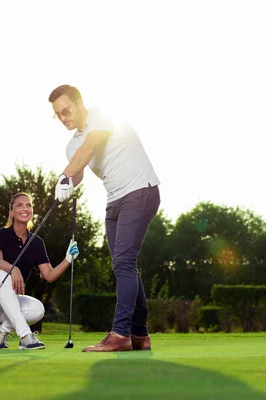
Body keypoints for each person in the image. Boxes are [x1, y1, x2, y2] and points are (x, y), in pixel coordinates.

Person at [49, 84, 161, 352]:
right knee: (124, 264)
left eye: (66, 110)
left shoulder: (102, 115)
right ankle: (140, 336)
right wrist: (67, 185)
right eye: (58, 115)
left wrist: (64, 175)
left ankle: (120, 334)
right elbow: (79, 171)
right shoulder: (71, 145)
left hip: (140, 190)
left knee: (124, 262)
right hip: (114, 201)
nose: (64, 118)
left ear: (79, 103)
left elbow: (91, 146)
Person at [0, 192, 79, 350]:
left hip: (9, 303)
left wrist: (67, 259)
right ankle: (25, 336)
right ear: (11, 212)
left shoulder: (36, 243)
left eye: (29, 205)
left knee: (38, 309)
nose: (25, 208)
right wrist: (13, 269)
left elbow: (49, 275)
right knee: (2, 273)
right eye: (19, 205)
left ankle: (3, 330)